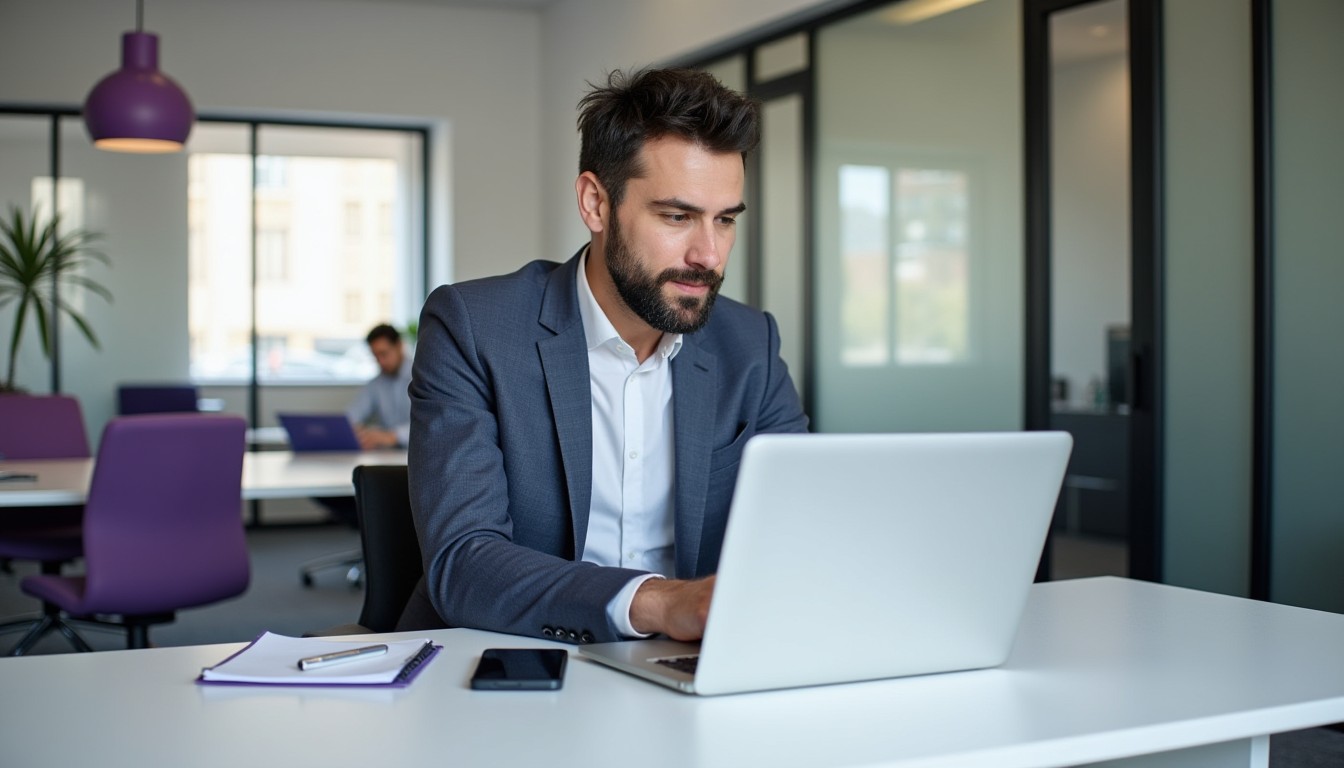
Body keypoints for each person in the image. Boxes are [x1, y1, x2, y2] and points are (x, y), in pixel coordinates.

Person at [398, 67, 808, 644]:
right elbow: (464, 562)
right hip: (510, 658)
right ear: (596, 203)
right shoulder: (475, 328)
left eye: (725, 220)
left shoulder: (750, 345)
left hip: (686, 667)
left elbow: (800, 529)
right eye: (677, 216)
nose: (709, 255)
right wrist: (662, 602)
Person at [346, 323, 412, 450]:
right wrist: (351, 430)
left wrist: (392, 436)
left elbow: (431, 425)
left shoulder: (422, 378)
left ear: (399, 346)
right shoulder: (376, 384)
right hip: (387, 456)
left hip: (419, 456)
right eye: (376, 357)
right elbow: (353, 415)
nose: (381, 362)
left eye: (384, 354)